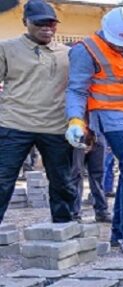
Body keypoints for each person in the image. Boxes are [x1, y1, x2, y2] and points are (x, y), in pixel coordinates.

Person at [66, 7, 123, 255]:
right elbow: (76, 89)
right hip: (113, 116)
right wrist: (75, 120)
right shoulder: (86, 50)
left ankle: (119, 232)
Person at [0, 0, 77, 224]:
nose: (47, 28)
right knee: (3, 180)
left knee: (63, 182)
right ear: (25, 22)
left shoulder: (68, 54)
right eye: (40, 23)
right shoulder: (6, 49)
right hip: (14, 124)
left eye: (51, 23)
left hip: (55, 127)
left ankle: (63, 227)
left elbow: (79, 88)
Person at [71, 133, 110, 223]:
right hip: (78, 134)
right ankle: (74, 213)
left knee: (98, 175)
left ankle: (102, 211)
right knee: (76, 174)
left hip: (98, 134)